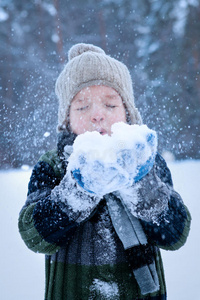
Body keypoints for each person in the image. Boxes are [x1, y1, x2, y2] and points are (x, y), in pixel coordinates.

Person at [18, 43, 191, 300]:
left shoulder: (148, 164)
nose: (97, 115)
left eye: (110, 105)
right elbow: (34, 236)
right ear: (66, 119)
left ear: (128, 114)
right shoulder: (53, 166)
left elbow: (175, 234)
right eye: (82, 107)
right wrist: (78, 190)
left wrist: (140, 185)